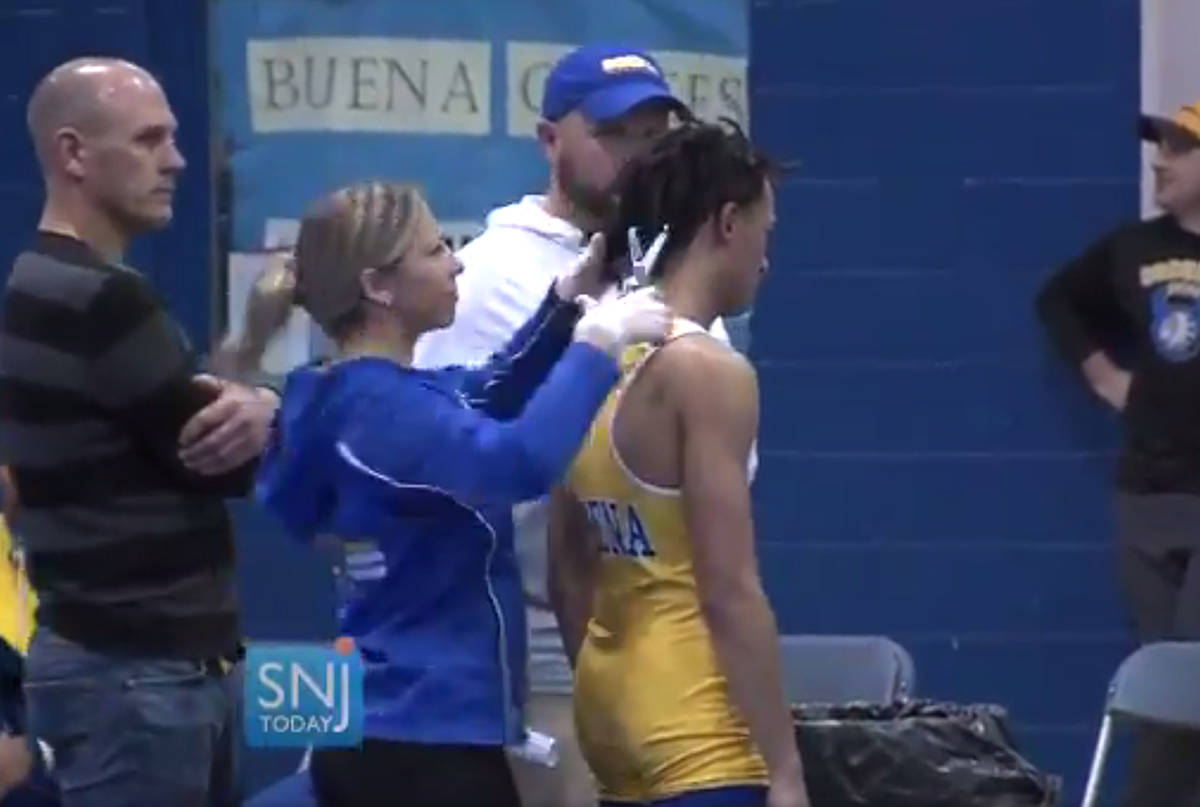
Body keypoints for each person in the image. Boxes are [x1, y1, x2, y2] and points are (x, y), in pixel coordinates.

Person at [252, 179, 672, 807]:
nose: (458, 261)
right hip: (421, 743)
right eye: (434, 250)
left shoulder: (349, 394)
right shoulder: (378, 410)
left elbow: (486, 390)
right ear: (378, 286)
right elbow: (517, 462)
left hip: (392, 725)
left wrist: (566, 305)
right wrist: (600, 346)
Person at [413, 44, 732, 806]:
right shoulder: (489, 275)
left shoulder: (666, 268)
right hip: (551, 653)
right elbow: (435, 464)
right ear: (550, 140)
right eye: (617, 132)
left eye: (656, 131)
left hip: (679, 648)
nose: (640, 153)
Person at [0, 57, 280, 806]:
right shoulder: (101, 300)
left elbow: (183, 428)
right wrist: (265, 407)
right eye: (149, 140)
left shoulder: (38, 281)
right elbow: (221, 460)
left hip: (126, 674)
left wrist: (247, 382)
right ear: (73, 154)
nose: (176, 161)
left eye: (174, 138)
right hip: (139, 682)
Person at [547, 120, 809, 807]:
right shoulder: (707, 371)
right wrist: (785, 767)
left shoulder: (591, 357)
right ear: (727, 222)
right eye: (765, 232)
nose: (766, 259)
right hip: (699, 732)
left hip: (610, 706)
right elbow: (729, 588)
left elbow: (568, 566)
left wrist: (611, 685)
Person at [1035, 100, 1200, 807]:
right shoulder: (1135, 248)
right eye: (1158, 147)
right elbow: (1059, 300)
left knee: (1188, 674)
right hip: (1147, 494)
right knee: (1165, 676)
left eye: (1178, 149)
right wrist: (1105, 376)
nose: (1159, 160)